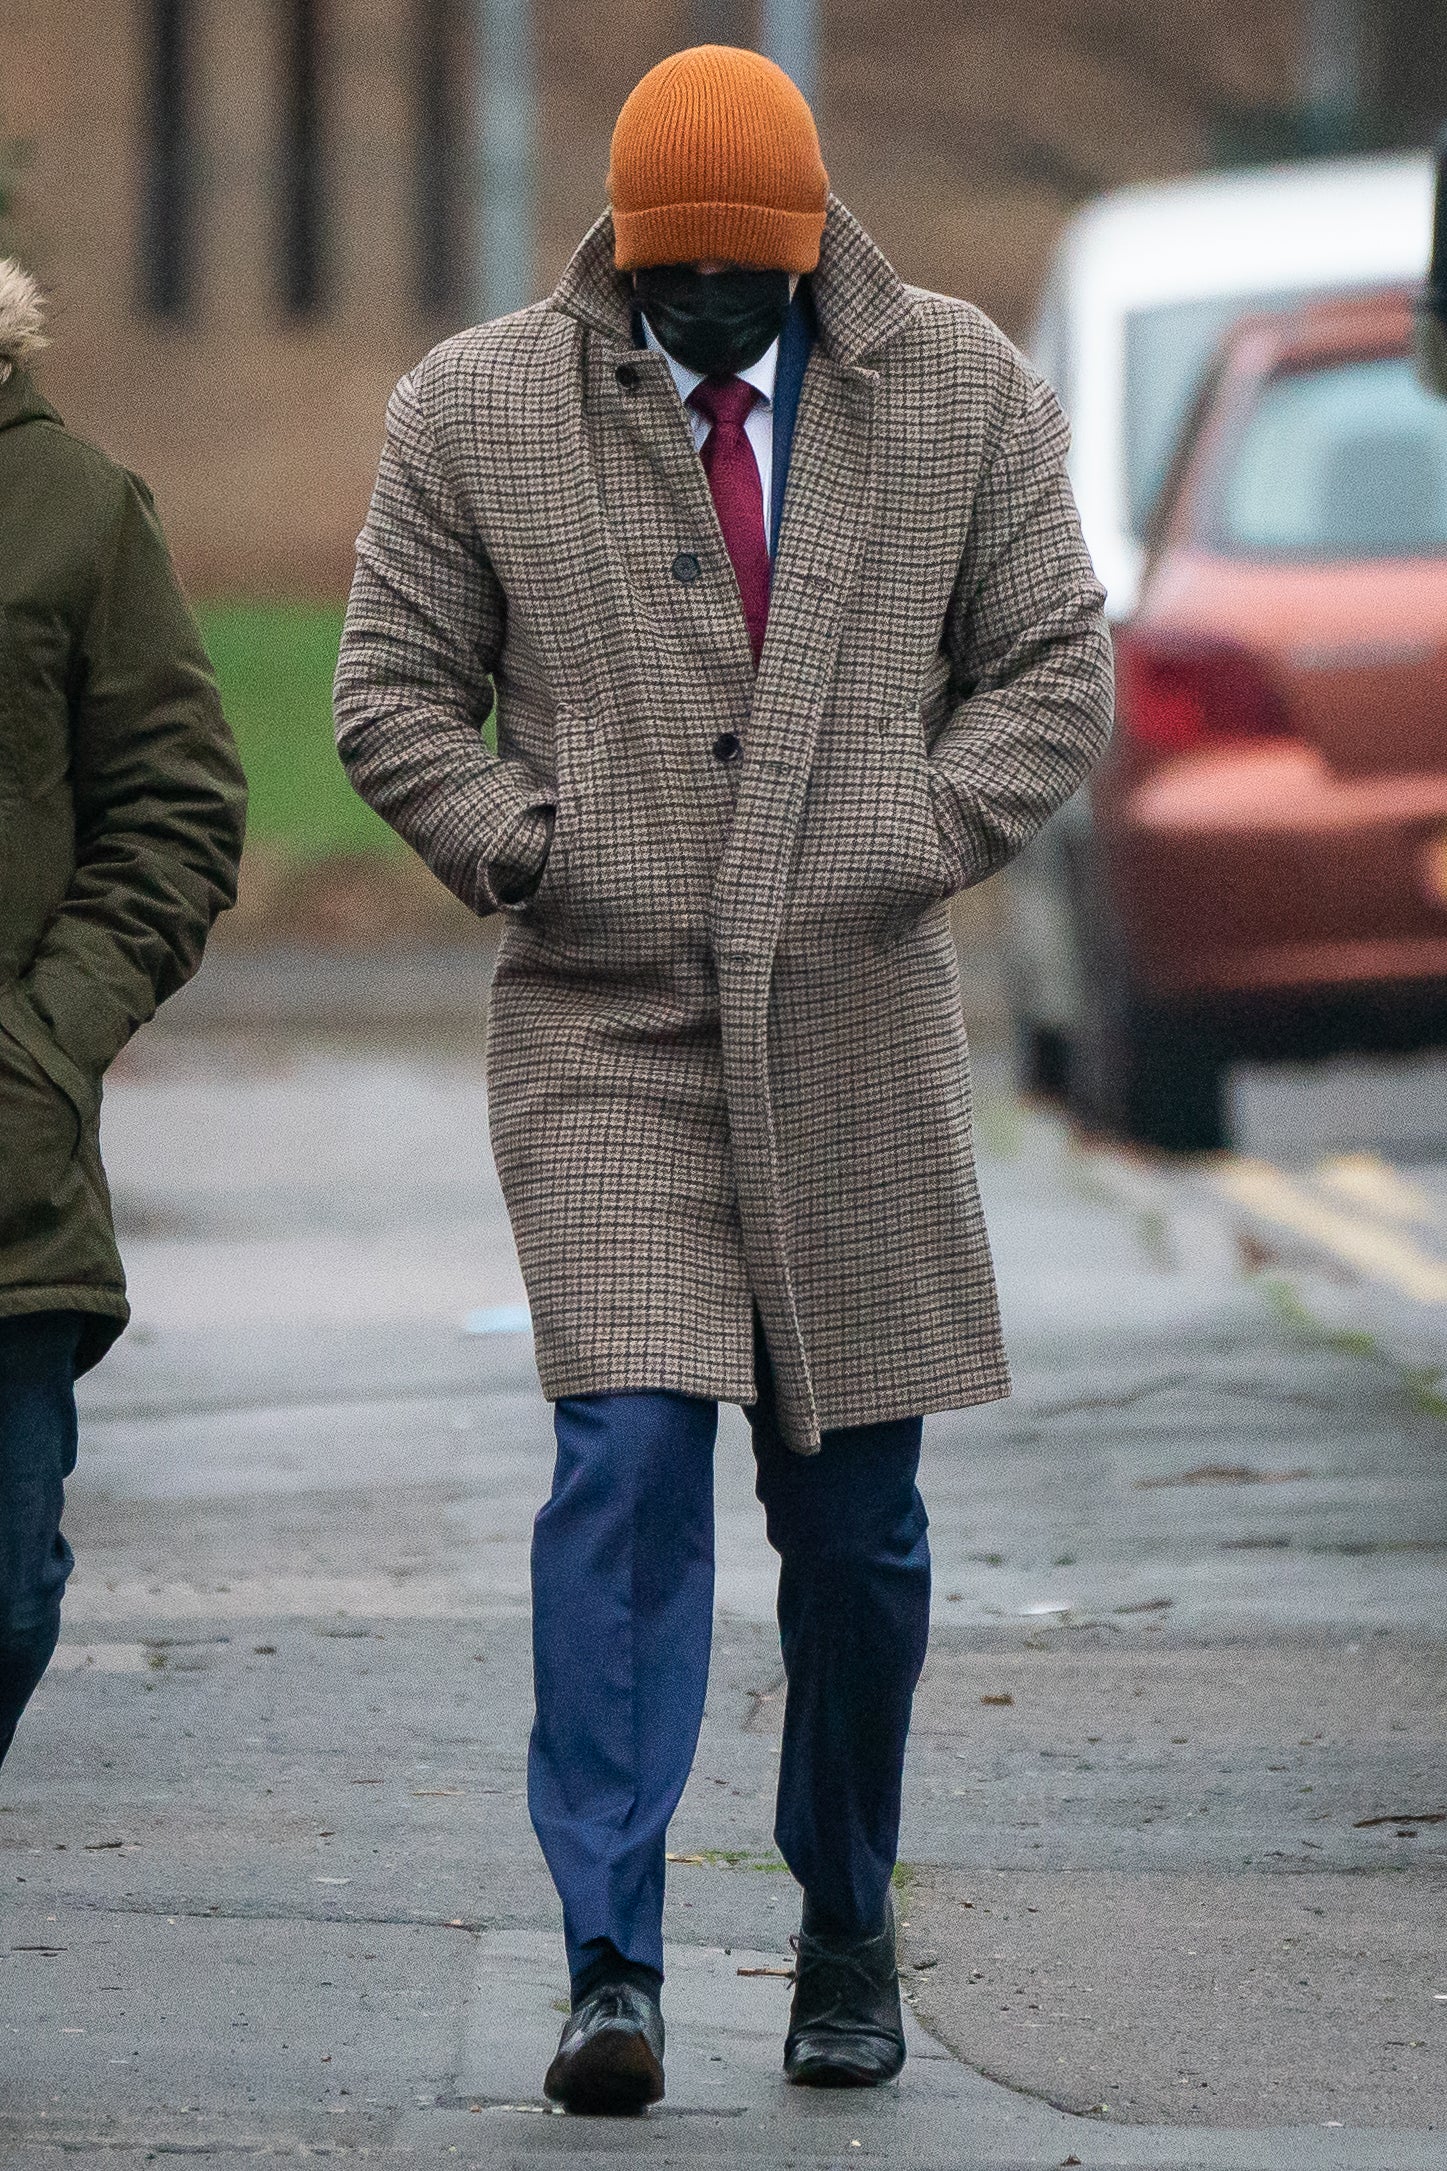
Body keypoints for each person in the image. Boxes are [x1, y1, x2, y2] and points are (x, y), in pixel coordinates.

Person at [335, 44, 1112, 2112]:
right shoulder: (477, 406)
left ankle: (846, 1918)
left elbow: (1054, 661)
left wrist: (915, 832)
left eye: (736, 284)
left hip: (854, 1029)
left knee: (855, 1530)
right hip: (606, 1028)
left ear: (800, 252)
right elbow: (388, 692)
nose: (702, 317)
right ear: (620, 253)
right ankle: (611, 1961)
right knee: (623, 1476)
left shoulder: (948, 389)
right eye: (666, 281)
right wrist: (528, 843)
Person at [0, 260, 247, 1772]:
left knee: (10, 1600)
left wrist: (35, 1053)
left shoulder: (78, 512)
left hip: (6, 1177)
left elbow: (178, 812)